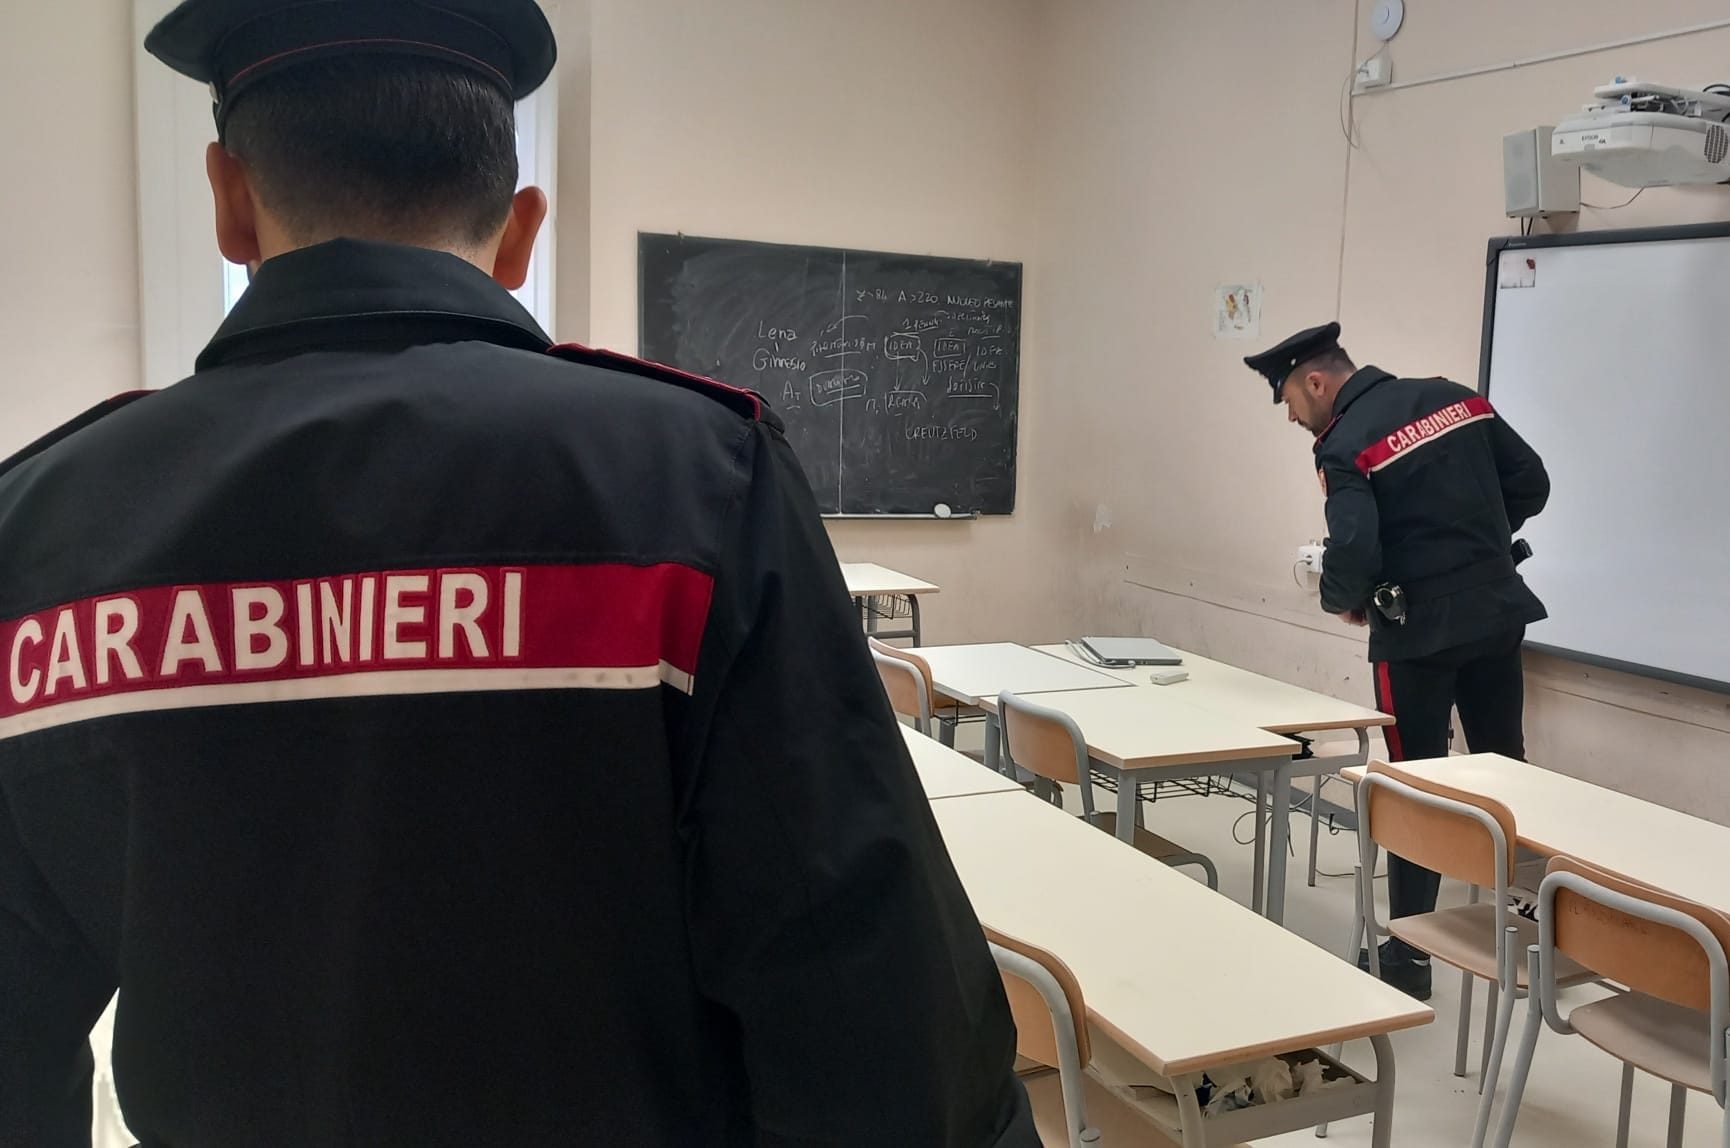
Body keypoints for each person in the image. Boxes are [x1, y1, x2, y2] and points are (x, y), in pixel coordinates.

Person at [0, 2, 1037, 1144]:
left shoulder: (44, 526)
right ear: (520, 228)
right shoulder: (696, 475)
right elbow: (857, 972)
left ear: (228, 200)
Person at [1246, 322, 1550, 1001]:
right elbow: (1531, 483)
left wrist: (1343, 598)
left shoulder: (1345, 444)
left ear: (1317, 382)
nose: (1294, 416)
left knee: (1417, 785)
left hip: (1415, 635)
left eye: (1291, 401)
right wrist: (1475, 554)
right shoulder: (1456, 397)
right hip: (1497, 612)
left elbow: (1352, 554)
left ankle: (1410, 954)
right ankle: (1535, 926)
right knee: (1505, 762)